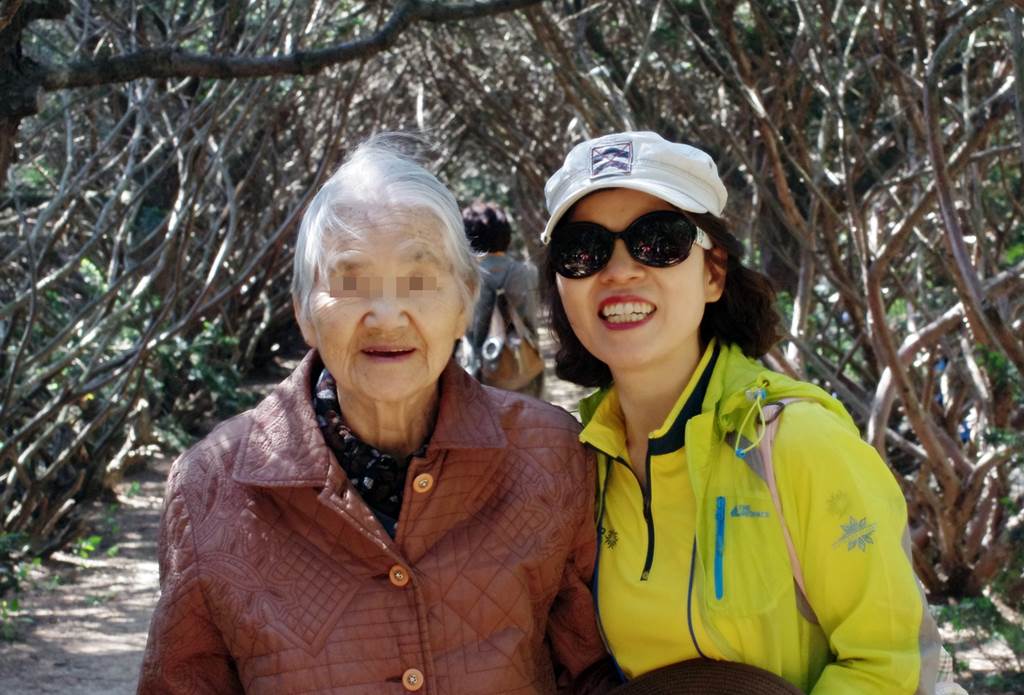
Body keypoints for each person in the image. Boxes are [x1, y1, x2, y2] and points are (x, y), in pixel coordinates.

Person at [138, 136, 615, 694]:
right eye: (350, 281)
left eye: (419, 281)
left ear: (465, 302)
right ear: (304, 311)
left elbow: (592, 673)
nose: (387, 316)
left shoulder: (553, 457)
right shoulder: (209, 487)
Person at [539, 131, 946, 693]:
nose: (619, 271)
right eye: (582, 250)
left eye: (659, 240)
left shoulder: (797, 442)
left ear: (713, 273)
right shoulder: (577, 464)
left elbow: (891, 665)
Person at [462, 200, 544, 396]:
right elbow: (532, 322)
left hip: (481, 378)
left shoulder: (466, 279)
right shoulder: (528, 273)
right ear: (506, 234)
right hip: (526, 367)